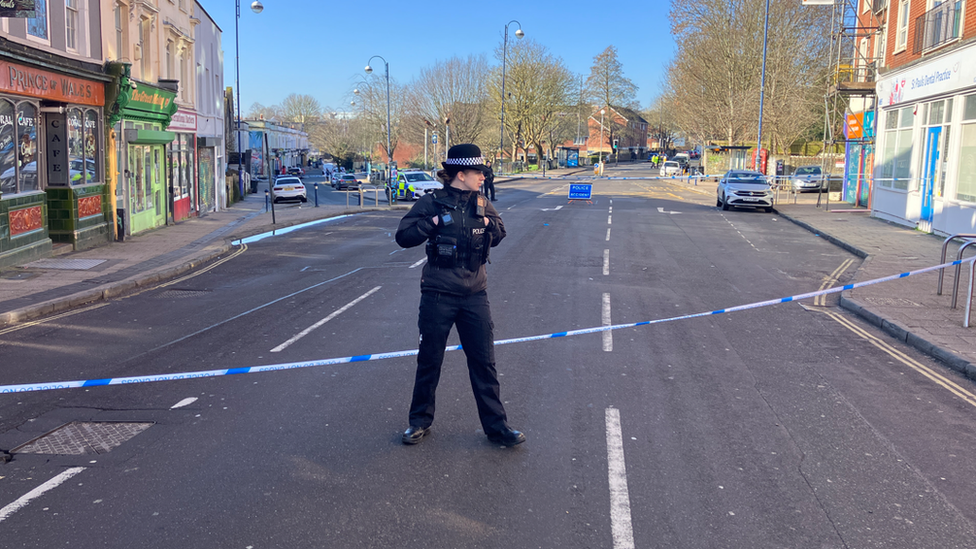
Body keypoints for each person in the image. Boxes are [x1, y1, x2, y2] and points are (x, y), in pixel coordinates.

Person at [395, 144, 525, 447]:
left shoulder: (481, 202)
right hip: (439, 293)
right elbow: (404, 236)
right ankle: (419, 422)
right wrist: (433, 223)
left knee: (484, 362)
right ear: (461, 174)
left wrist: (490, 225)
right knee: (430, 360)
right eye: (478, 172)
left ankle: (497, 427)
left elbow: (501, 233)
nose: (483, 176)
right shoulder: (433, 203)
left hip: (475, 294)